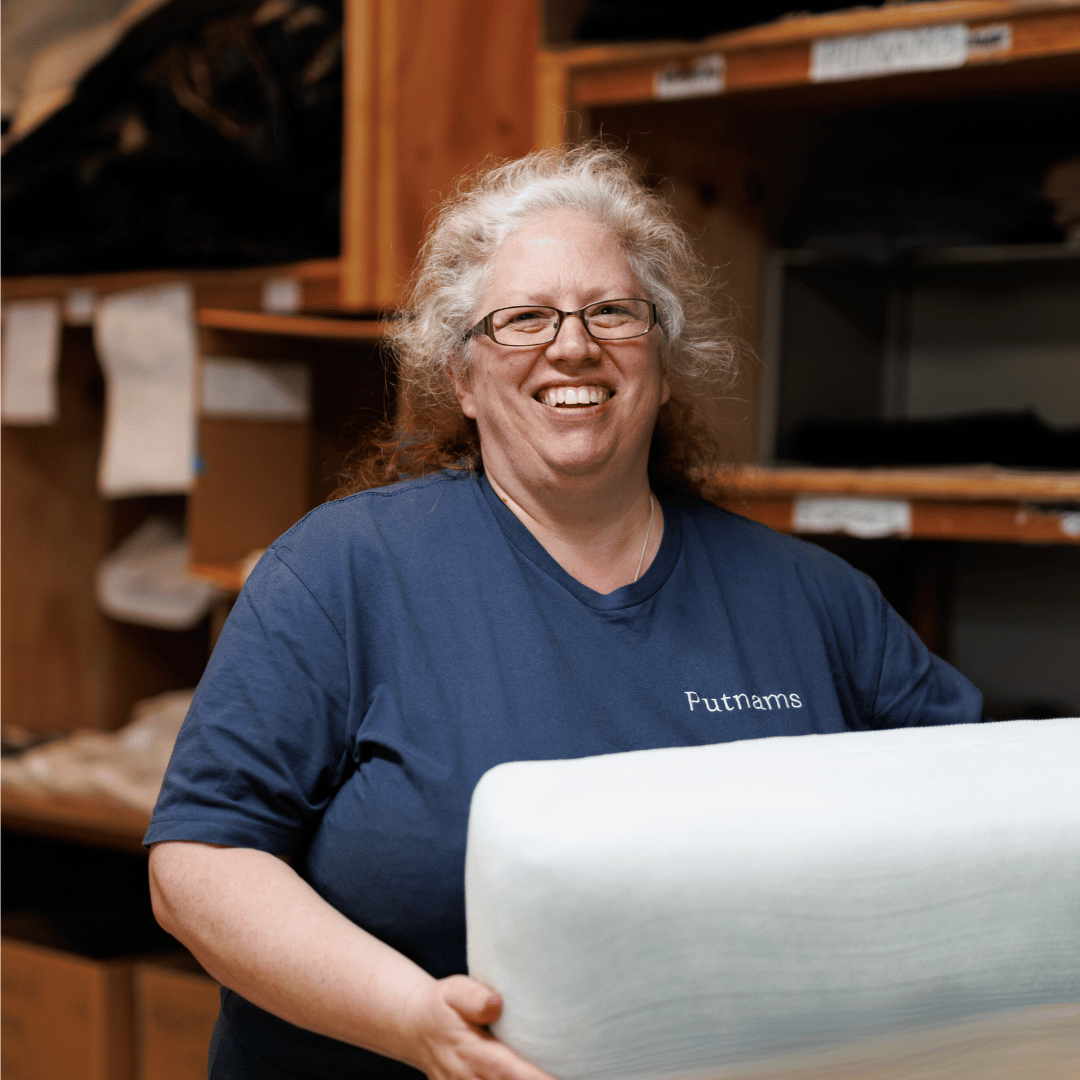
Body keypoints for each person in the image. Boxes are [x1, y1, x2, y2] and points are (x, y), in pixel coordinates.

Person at [146, 143, 984, 1080]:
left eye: (613, 312)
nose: (573, 345)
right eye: (522, 319)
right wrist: (416, 1021)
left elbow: (982, 822)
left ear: (663, 365)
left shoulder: (816, 602)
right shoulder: (342, 574)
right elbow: (198, 864)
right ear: (461, 379)